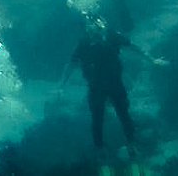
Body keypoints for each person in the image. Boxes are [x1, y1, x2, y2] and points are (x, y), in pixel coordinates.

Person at [60, 16, 168, 155]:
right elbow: (71, 64)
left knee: (123, 113)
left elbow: (132, 46)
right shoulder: (84, 43)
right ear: (88, 29)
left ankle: (130, 142)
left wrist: (152, 60)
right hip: (96, 86)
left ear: (103, 25)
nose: (96, 31)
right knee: (98, 116)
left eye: (98, 27)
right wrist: (61, 85)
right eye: (92, 28)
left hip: (114, 83)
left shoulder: (111, 36)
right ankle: (100, 147)